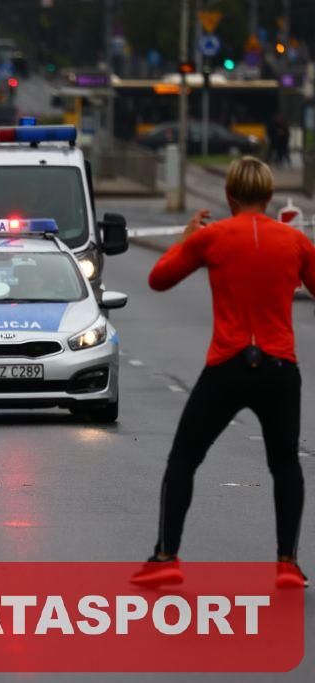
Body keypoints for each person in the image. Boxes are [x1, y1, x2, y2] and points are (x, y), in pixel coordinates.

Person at [131, 157, 315, 589]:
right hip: (279, 365)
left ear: (228, 196)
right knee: (285, 464)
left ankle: (165, 556)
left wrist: (185, 240)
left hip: (228, 362)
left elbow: (159, 279)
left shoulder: (211, 237)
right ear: (270, 196)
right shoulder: (294, 240)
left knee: (184, 458)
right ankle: (287, 563)